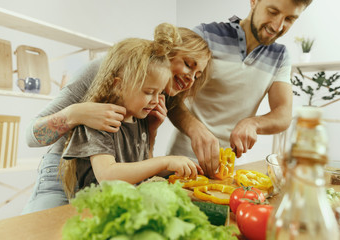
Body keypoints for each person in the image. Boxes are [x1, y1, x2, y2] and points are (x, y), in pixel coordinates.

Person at [22, 23, 211, 213]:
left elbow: (138, 158)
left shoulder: (149, 100)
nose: (191, 79)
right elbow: (31, 137)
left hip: (103, 192)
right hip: (62, 175)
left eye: (197, 75)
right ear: (166, 52)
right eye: (188, 64)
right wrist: (77, 113)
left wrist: (152, 132)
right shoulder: (109, 71)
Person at [167, 0, 313, 178]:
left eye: (289, 19)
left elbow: (283, 114)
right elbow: (168, 94)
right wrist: (195, 129)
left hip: (230, 170)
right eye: (273, 12)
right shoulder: (206, 35)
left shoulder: (280, 56)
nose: (277, 26)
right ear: (254, 2)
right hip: (184, 163)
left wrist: (253, 123)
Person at [59, 30, 203, 199]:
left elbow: (144, 166)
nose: (156, 100)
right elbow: (107, 175)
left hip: (128, 207)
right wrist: (165, 161)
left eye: (160, 93)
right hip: (95, 213)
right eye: (149, 92)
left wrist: (176, 162)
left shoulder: (140, 119)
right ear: (118, 86)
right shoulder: (100, 121)